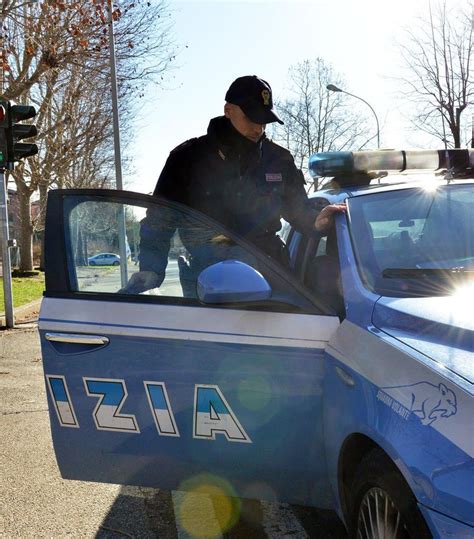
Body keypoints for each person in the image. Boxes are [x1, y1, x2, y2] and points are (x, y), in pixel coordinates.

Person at [124, 75, 346, 295]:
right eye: (251, 118)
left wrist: (315, 221)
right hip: (208, 279)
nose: (258, 128)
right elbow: (160, 220)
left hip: (271, 272)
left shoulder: (280, 160)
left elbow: (298, 209)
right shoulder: (187, 158)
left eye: (263, 120)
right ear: (228, 110)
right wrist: (151, 270)